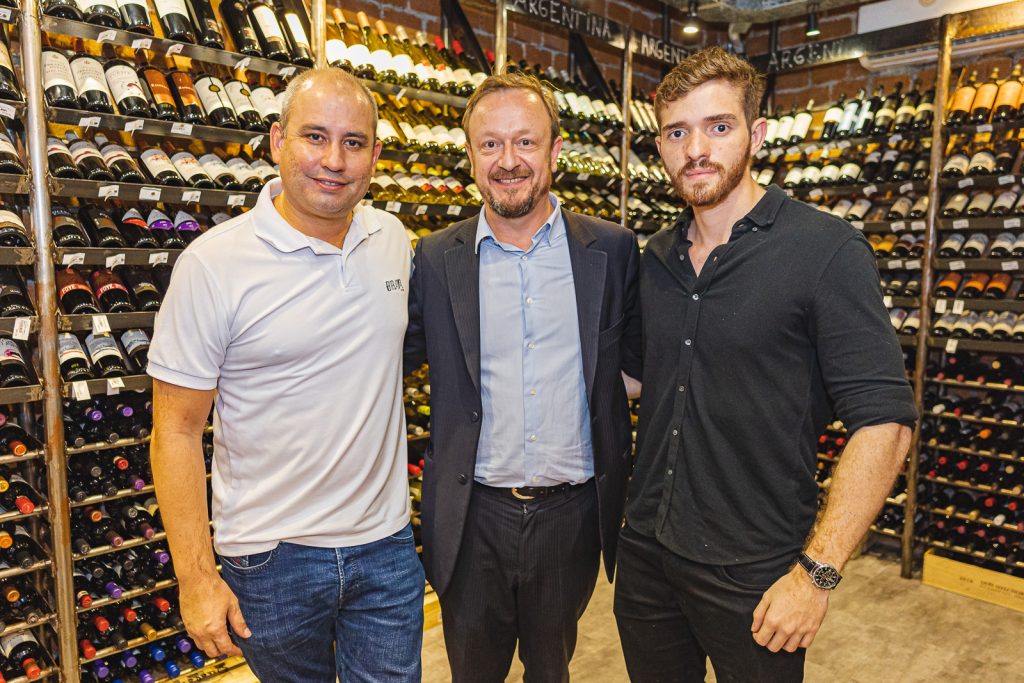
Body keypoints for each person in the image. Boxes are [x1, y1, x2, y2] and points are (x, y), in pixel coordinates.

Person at [613, 47, 918, 682]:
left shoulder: (826, 250)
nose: (696, 148)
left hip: (755, 572)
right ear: (661, 145)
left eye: (717, 127)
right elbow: (638, 380)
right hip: (646, 553)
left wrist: (818, 573)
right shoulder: (658, 256)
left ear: (756, 134)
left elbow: (885, 426)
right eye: (677, 132)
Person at [148, 68, 423, 683]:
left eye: (354, 142)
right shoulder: (213, 265)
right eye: (315, 137)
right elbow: (175, 432)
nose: (334, 160)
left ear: (376, 154)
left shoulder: (392, 239)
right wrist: (195, 581)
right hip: (271, 561)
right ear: (277, 141)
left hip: (386, 546)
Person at [404, 69, 641, 683]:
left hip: (572, 516)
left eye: (525, 142)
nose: (508, 161)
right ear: (471, 156)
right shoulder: (433, 257)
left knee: (552, 671)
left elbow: (637, 367)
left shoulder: (612, 252)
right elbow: (386, 360)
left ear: (556, 151)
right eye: (490, 144)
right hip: (471, 513)